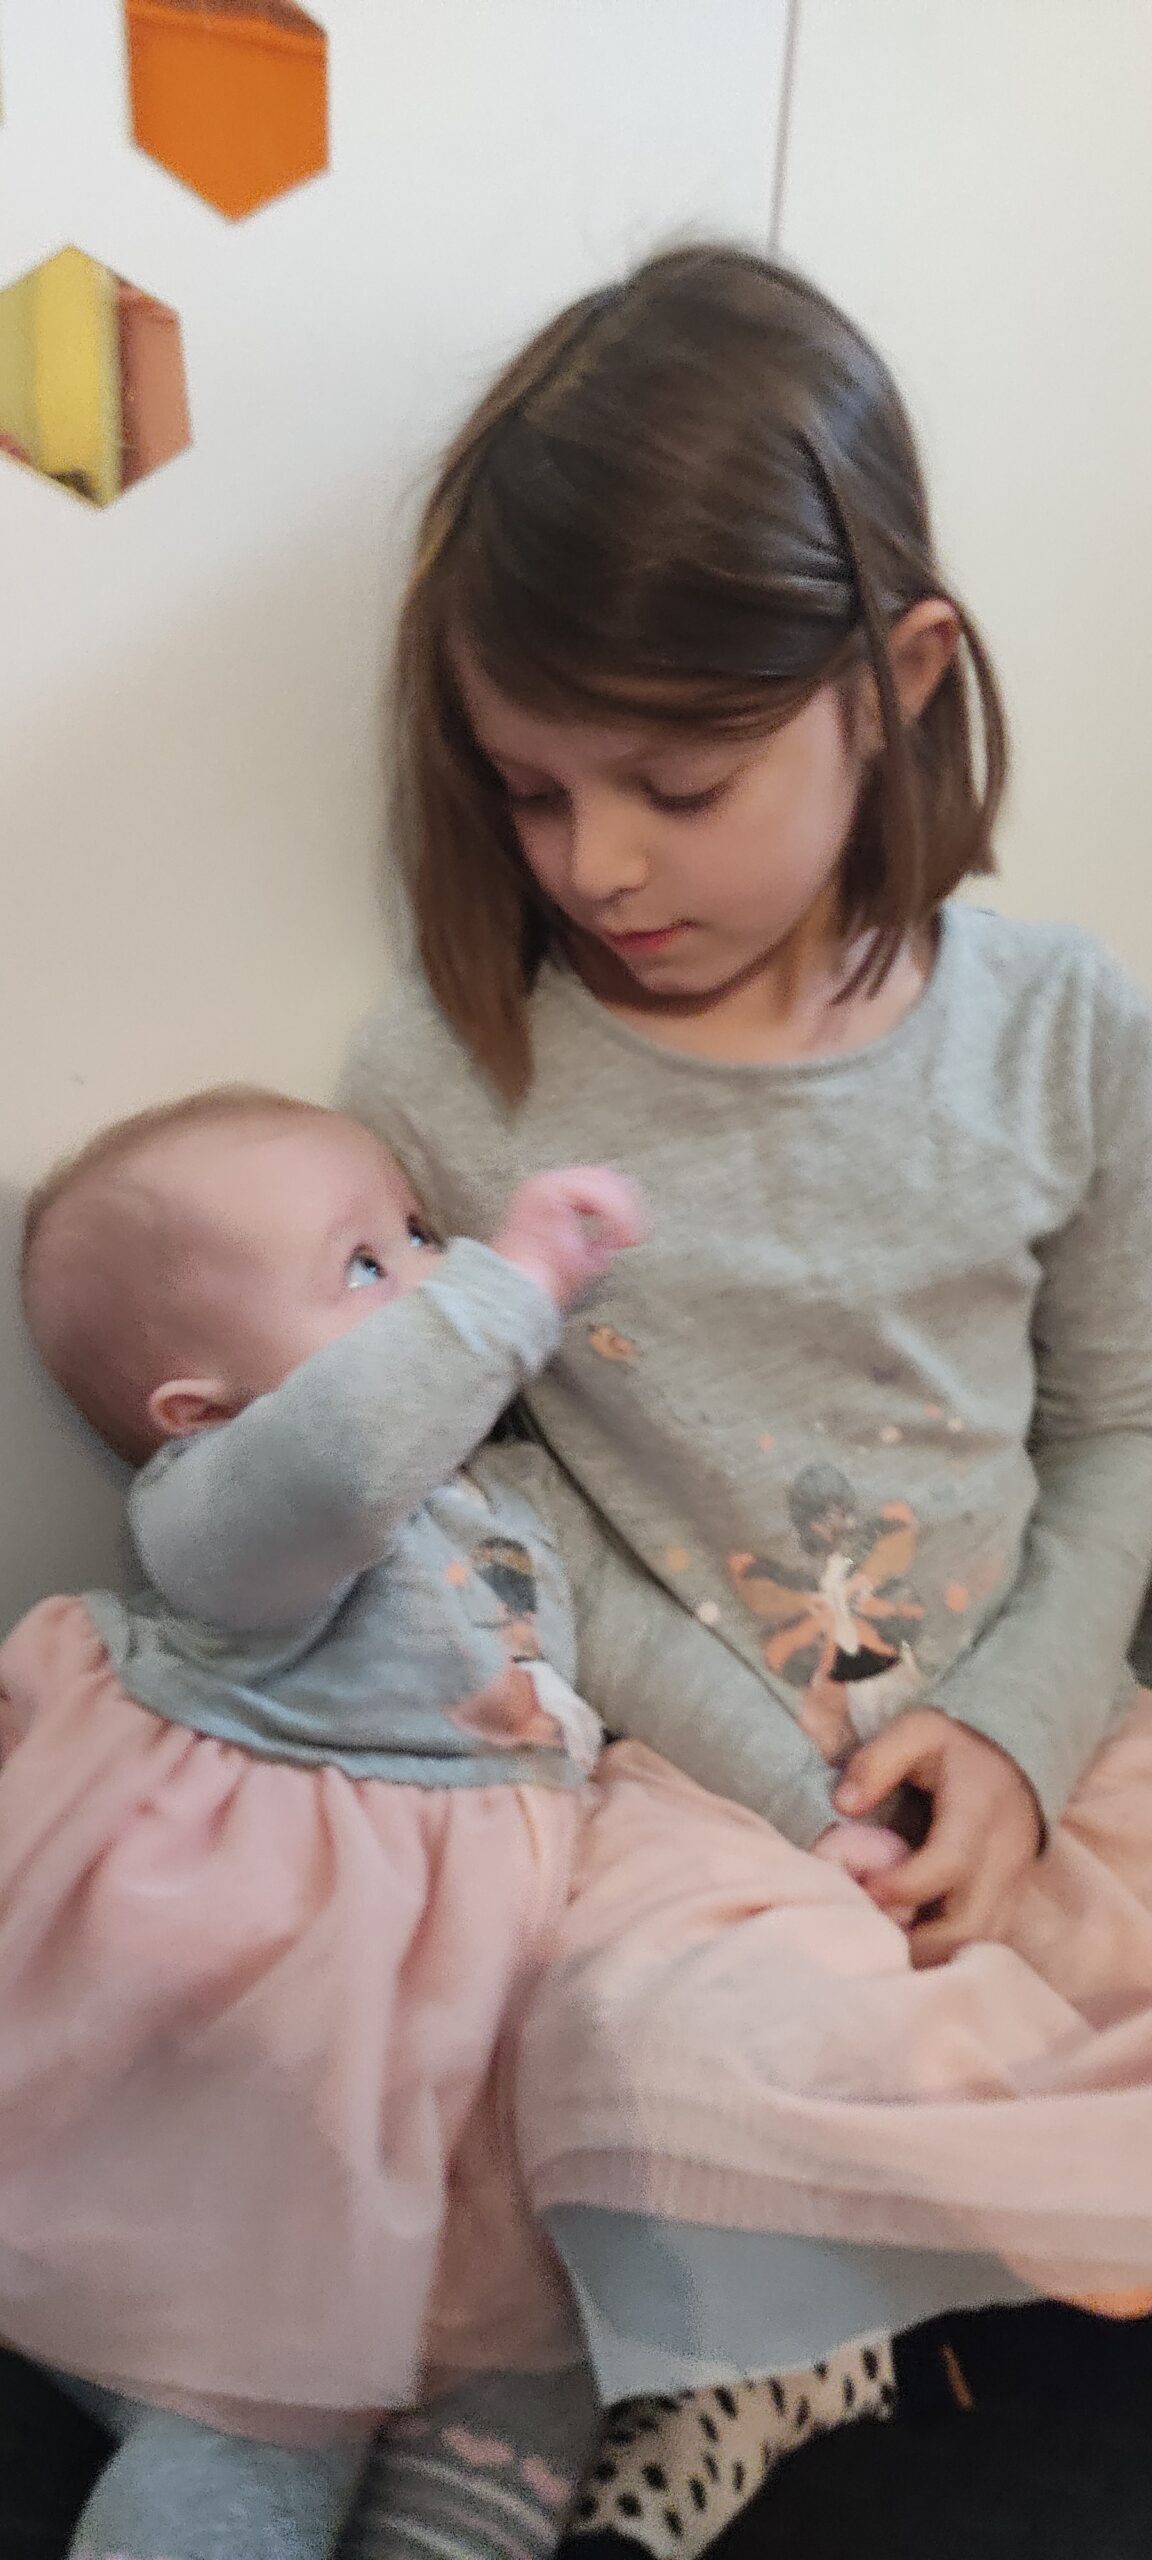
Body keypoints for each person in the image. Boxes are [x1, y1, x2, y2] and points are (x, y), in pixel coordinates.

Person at [337, 241, 1152, 2555]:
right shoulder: (450, 1075)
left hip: (1042, 1719)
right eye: (530, 788)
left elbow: (1122, 1427)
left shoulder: (1066, 1028)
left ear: (898, 684)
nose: (597, 863)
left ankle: (897, 2230)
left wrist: (1010, 1737)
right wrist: (788, 1791)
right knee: (624, 2038)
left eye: (678, 784)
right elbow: (496, 1515)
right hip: (700, 1788)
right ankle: (806, 2314)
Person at [2, 1086, 848, 2560]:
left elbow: (645, 1665)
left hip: (481, 2039)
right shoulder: (221, 1519)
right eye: (363, 1266)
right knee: (265, 2409)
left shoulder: (504, 1500)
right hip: (305, 2051)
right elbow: (335, 1462)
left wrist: (820, 1818)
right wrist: (509, 1283)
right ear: (201, 1413)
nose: (432, 1269)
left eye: (418, 1231)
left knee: (535, 2368)